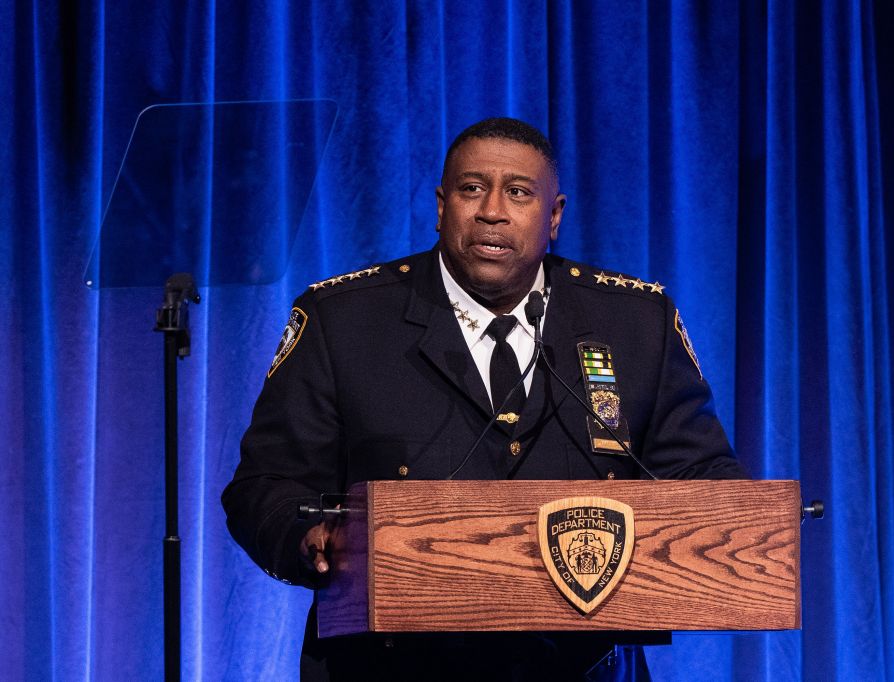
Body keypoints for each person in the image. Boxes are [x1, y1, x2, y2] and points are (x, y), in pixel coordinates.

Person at [223, 118, 747, 681]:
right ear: (441, 205)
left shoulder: (634, 321)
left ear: (554, 215)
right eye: (472, 189)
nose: (492, 210)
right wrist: (313, 540)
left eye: (518, 193)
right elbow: (265, 485)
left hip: (582, 667)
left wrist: (742, 529)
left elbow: (699, 472)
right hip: (390, 667)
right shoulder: (344, 320)